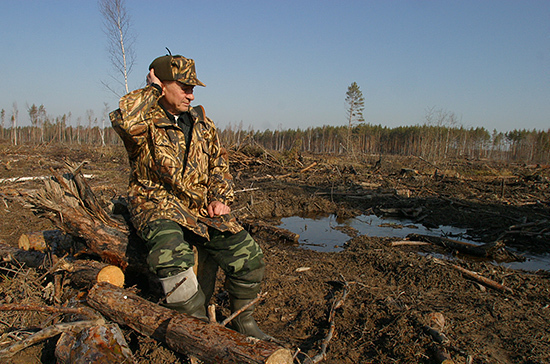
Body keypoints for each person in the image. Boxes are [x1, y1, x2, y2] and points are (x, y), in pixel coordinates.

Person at [110, 53, 268, 340]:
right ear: (162, 84)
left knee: (250, 256)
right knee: (173, 258)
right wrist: (151, 89)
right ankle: (197, 331)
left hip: (197, 210)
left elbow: (220, 166)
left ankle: (243, 324)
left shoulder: (202, 125)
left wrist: (220, 197)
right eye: (184, 86)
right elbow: (124, 120)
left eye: (193, 88)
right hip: (156, 206)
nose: (191, 95)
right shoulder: (145, 123)